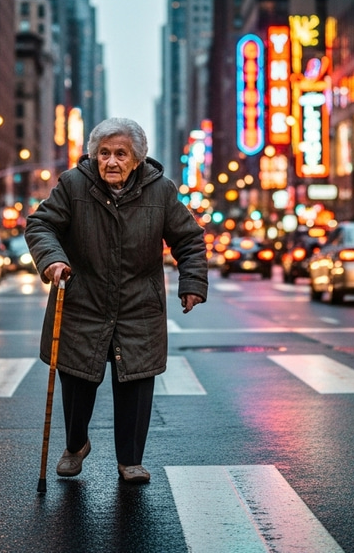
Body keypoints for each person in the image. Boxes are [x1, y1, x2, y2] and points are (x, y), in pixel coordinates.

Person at [25, 118, 208, 484]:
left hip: (139, 306)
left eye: (121, 154)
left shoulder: (161, 191)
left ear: (137, 159)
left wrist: (191, 282)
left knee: (136, 384)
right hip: (83, 300)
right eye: (104, 153)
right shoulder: (73, 184)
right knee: (76, 380)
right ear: (94, 155)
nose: (111, 161)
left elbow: (188, 239)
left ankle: (130, 460)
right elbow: (41, 224)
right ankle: (75, 445)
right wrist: (53, 260)